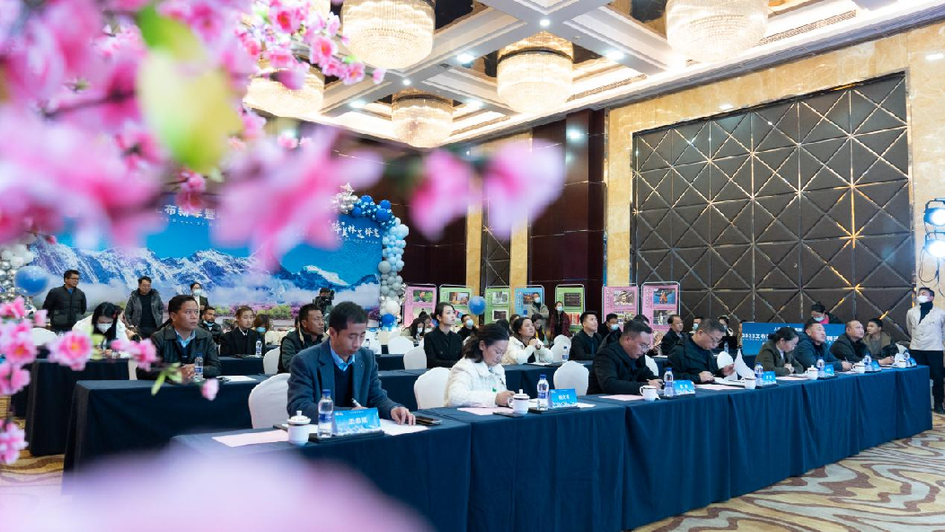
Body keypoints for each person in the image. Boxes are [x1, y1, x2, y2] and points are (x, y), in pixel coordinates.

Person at [287, 301, 414, 424]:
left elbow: (376, 397)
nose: (357, 344)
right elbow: (299, 406)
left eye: (362, 336)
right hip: (322, 432)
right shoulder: (305, 361)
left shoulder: (366, 358)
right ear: (332, 333)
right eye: (351, 337)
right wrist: (348, 414)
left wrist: (392, 408)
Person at [141, 295, 220, 380]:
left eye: (196, 312)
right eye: (188, 312)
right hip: (168, 387)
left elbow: (216, 368)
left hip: (196, 387)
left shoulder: (206, 337)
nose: (194, 316)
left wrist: (197, 369)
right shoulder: (158, 338)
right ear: (173, 316)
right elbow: (142, 371)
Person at [445, 324, 514, 407]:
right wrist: (495, 398)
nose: (500, 358)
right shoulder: (464, 367)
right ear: (482, 345)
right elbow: (455, 398)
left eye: (503, 353)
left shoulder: (498, 368)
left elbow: (500, 394)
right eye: (497, 352)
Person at [587, 320, 661, 395]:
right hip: (601, 400)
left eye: (647, 346)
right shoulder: (606, 355)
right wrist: (645, 386)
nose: (644, 351)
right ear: (628, 339)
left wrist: (661, 382)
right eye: (642, 345)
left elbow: (648, 376)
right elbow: (609, 385)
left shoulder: (638, 356)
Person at [906, 287, 945, 414]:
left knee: (938, 377)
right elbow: (910, 329)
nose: (920, 295)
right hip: (916, 348)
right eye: (919, 293)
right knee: (917, 377)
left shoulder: (941, 313)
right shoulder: (911, 312)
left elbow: (943, 331)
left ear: (931, 297)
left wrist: (935, 339)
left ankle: (938, 404)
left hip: (934, 348)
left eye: (924, 293)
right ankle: (919, 405)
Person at [668, 317, 735, 383]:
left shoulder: (707, 350)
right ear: (700, 333)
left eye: (718, 341)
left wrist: (722, 372)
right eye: (713, 340)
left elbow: (710, 374)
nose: (715, 345)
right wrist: (697, 378)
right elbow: (670, 376)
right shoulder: (680, 350)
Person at [279, 304, 325, 373]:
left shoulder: (326, 339)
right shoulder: (290, 340)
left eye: (322, 319)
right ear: (304, 323)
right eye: (316, 319)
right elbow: (291, 367)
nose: (321, 323)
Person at [424, 303, 463, 368]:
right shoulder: (430, 337)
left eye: (453, 313)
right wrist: (455, 364)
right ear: (439, 317)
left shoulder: (457, 337)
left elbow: (462, 359)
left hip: (455, 372)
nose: (453, 316)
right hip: (437, 372)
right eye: (448, 313)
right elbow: (432, 362)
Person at [124, 276, 163, 340]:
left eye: (148, 285)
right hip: (139, 328)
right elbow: (127, 313)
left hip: (155, 327)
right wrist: (131, 325)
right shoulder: (134, 297)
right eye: (144, 285)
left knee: (155, 345)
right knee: (140, 345)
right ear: (139, 286)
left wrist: (159, 318)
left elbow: (161, 308)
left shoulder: (155, 296)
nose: (147, 288)